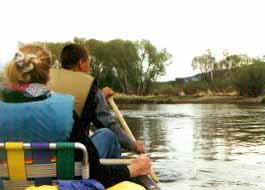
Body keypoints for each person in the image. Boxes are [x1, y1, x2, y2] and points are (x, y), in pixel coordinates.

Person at [0, 44, 150, 188]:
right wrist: (132, 169)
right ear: (48, 76)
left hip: (10, 184)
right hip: (63, 185)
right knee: (106, 135)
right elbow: (97, 173)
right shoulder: (66, 113)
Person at [48, 43, 144, 158]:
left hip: (45, 156)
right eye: (88, 64)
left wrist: (100, 96)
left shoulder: (44, 79)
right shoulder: (90, 89)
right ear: (80, 63)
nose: (88, 68)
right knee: (107, 134)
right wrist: (133, 145)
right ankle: (115, 174)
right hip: (75, 160)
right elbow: (108, 124)